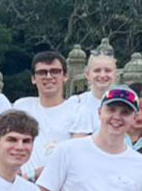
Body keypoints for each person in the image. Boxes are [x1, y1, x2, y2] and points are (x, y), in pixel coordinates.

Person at [13, 50, 93, 181]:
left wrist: (33, 174)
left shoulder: (79, 112)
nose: (49, 77)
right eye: (42, 72)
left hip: (60, 187)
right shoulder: (21, 107)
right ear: (33, 78)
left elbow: (75, 157)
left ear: (65, 76)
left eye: (55, 71)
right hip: (21, 185)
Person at [70, 52, 119, 129]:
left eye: (108, 71)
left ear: (115, 74)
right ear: (87, 74)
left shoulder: (124, 102)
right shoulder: (76, 103)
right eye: (97, 70)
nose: (102, 75)